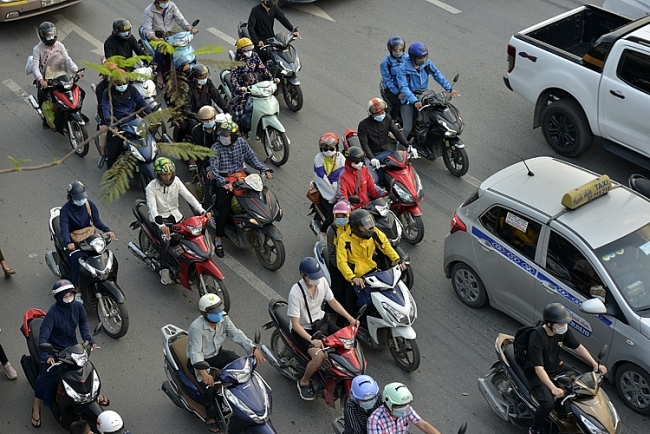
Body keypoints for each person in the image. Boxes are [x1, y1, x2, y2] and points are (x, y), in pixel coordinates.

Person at [32, 280, 109, 429]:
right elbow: (43, 337)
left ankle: (94, 395)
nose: (69, 297)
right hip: (56, 352)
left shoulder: (78, 307)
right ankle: (36, 407)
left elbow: (83, 324)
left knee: (88, 372)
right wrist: (47, 356)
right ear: (58, 297)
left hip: (74, 349)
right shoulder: (52, 314)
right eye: (65, 295)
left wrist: (88, 339)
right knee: (45, 380)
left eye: (71, 294)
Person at [525, 303, 607, 434]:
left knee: (582, 384)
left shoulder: (562, 331)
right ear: (550, 323)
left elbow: (578, 347)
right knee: (548, 404)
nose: (564, 326)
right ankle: (534, 428)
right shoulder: (537, 337)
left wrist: (594, 364)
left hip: (556, 366)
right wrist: (553, 388)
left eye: (564, 323)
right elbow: (539, 368)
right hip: (538, 373)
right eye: (560, 323)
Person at [187, 294, 264, 433]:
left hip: (218, 354)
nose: (218, 314)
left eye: (219, 310)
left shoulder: (223, 318)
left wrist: (252, 348)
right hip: (201, 362)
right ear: (204, 313)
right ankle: (210, 417)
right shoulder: (196, 328)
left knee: (241, 366)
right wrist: (204, 373)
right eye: (214, 312)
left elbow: (236, 334)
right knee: (209, 388)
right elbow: (195, 353)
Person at [288, 257, 358, 401]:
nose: (316, 280)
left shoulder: (322, 282)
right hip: (304, 330)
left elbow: (332, 301)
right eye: (312, 277)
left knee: (345, 340)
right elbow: (295, 324)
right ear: (303, 275)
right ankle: (304, 381)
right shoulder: (295, 293)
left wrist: (350, 318)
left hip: (321, 320)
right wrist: (312, 340)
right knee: (319, 356)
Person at [208, 121, 273, 258]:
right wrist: (223, 182)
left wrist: (264, 169)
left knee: (257, 195)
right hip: (225, 181)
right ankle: (218, 239)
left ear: (234, 136)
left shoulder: (242, 143)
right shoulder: (216, 147)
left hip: (241, 177)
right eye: (222, 135)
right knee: (224, 211)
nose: (223, 138)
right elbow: (214, 170)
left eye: (226, 135)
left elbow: (252, 159)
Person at [145, 157, 210, 285]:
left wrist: (202, 211)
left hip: (176, 216)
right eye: (164, 175)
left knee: (191, 234)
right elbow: (152, 209)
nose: (168, 177)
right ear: (158, 175)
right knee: (166, 240)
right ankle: (164, 270)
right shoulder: (150, 188)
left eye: (169, 174)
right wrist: (161, 225)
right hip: (160, 219)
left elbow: (189, 197)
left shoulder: (177, 182)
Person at [336, 209, 404, 314]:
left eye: (369, 223)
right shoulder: (344, 240)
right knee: (349, 307)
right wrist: (353, 278)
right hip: (356, 276)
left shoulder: (374, 232)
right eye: (364, 226)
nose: (368, 228)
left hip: (372, 270)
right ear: (355, 227)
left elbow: (385, 245)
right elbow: (341, 262)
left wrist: (397, 259)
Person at [60, 181, 116, 302]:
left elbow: (97, 221)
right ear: (71, 198)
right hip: (76, 241)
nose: (81, 200)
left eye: (83, 197)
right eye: (78, 198)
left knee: (104, 254)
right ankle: (78, 290)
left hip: (90, 237)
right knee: (75, 260)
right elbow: (64, 229)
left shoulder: (89, 204)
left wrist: (107, 230)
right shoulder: (65, 210)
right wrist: (68, 242)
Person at [396, 41, 457, 139]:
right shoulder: (403, 68)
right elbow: (404, 87)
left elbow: (437, 74)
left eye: (424, 57)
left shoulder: (426, 64)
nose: (423, 59)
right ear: (413, 57)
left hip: (424, 96)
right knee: (407, 128)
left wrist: (449, 88)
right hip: (409, 100)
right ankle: (400, 148)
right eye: (420, 58)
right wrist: (414, 100)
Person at [30, 22, 82, 127]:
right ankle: (45, 117)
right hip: (46, 77)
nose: (50, 38)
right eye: (47, 35)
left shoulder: (59, 45)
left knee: (77, 92)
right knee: (41, 95)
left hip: (61, 73)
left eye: (51, 34)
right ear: (42, 36)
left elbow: (67, 59)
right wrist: (41, 80)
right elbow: (35, 67)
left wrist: (76, 71)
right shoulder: (37, 49)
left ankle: (77, 112)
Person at [101, 68, 153, 168]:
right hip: (118, 125)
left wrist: (151, 115)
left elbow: (142, 103)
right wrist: (112, 127)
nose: (123, 85)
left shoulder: (132, 89)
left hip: (133, 122)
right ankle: (110, 169)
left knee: (147, 141)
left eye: (124, 83)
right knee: (114, 150)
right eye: (119, 84)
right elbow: (106, 110)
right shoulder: (107, 93)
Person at [357, 97, 409, 185]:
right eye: (377, 114)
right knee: (375, 181)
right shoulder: (363, 125)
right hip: (372, 156)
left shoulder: (387, 118)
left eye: (382, 112)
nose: (380, 115)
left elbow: (396, 132)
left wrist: (408, 145)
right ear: (371, 114)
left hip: (386, 152)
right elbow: (364, 144)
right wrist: (372, 158)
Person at [230, 38, 278, 124]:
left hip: (255, 86)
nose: (249, 51)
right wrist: (239, 88)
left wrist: (272, 79)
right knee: (239, 110)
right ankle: (238, 128)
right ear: (241, 51)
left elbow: (262, 69)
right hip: (242, 89)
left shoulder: (254, 56)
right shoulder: (236, 61)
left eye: (250, 49)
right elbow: (233, 78)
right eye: (246, 50)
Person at [368, 383, 442, 434]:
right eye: (399, 406)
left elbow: (423, 425)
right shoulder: (375, 421)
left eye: (405, 404)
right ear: (388, 404)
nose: (404, 408)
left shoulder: (407, 409)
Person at [179, 64, 228, 141]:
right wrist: (196, 117)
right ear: (195, 78)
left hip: (209, 113)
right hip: (194, 116)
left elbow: (217, 98)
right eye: (202, 77)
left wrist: (227, 109)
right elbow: (186, 108)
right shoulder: (187, 89)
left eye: (206, 76)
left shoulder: (208, 83)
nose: (204, 79)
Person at [313, 132, 346, 237]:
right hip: (326, 192)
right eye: (325, 149)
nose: (328, 151)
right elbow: (322, 180)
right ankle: (322, 231)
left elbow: (345, 175)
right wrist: (334, 196)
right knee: (335, 215)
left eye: (331, 149)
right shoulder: (318, 159)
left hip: (341, 190)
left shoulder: (341, 157)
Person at [326, 201, 352, 322]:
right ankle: (332, 315)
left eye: (343, 216)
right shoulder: (332, 230)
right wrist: (341, 266)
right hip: (336, 265)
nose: (341, 219)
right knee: (338, 291)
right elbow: (331, 253)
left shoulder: (352, 228)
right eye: (338, 216)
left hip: (351, 264)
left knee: (351, 293)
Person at [191, 106, 221, 209]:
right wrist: (208, 167)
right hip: (205, 160)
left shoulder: (221, 128)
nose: (209, 121)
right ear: (201, 121)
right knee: (210, 178)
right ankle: (207, 207)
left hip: (221, 159)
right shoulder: (196, 131)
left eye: (211, 119)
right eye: (206, 120)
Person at [380, 35, 409, 120]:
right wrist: (397, 93)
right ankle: (391, 122)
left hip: (405, 85)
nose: (397, 52)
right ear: (390, 50)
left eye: (399, 49)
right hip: (392, 88)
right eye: (395, 50)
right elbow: (387, 81)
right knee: (397, 104)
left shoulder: (407, 58)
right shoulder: (385, 63)